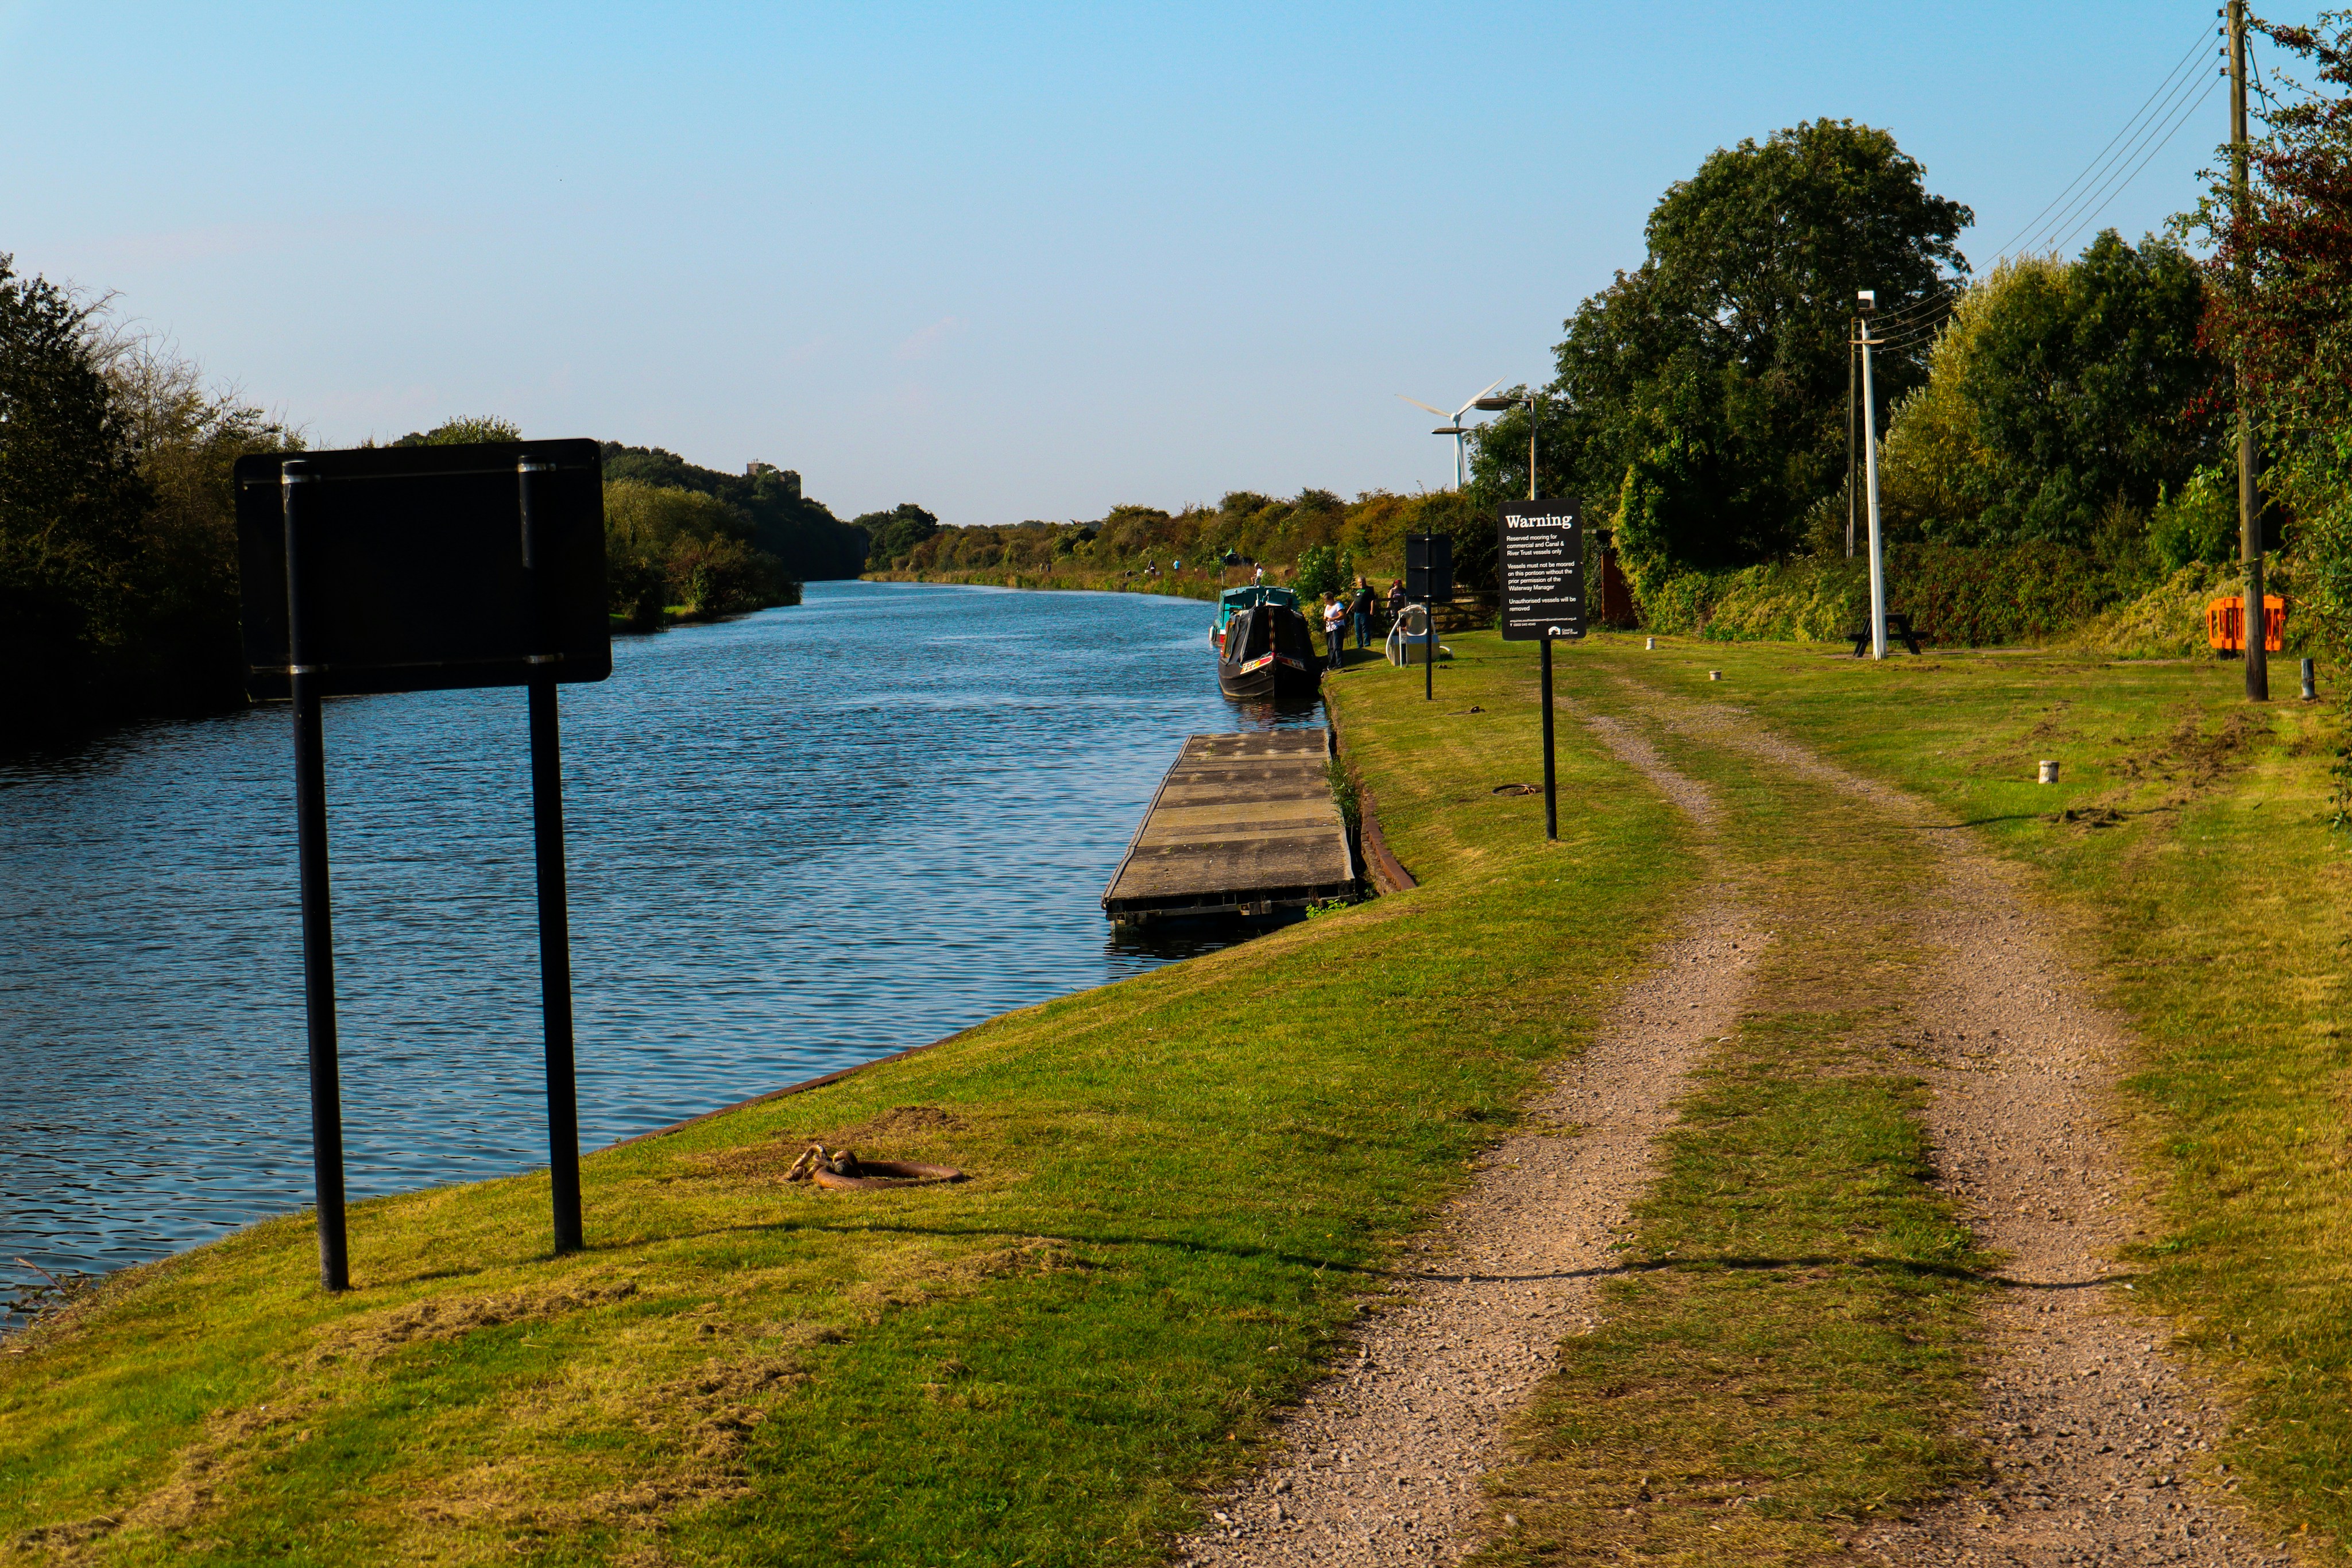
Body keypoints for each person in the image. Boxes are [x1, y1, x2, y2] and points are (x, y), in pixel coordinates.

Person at [1321, 594, 1347, 669]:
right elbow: (1325, 616)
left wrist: (1333, 619)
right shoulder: (1327, 607)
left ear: (1331, 599)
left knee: (1337, 646)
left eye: (1327, 601)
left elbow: (1343, 615)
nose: (1326, 602)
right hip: (1329, 629)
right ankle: (1331, 664)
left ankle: (1339, 664)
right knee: (1330, 647)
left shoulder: (1338, 605)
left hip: (1337, 628)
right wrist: (1325, 618)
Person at [1351, 578, 1374, 649]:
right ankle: (1359, 645)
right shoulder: (1358, 591)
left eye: (1363, 582)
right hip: (1356, 613)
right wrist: (1349, 609)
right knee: (1357, 630)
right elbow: (1355, 601)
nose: (1361, 583)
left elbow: (1372, 600)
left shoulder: (1369, 590)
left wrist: (1372, 610)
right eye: (1360, 582)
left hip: (1364, 613)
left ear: (1365, 582)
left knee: (1365, 629)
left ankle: (1367, 644)